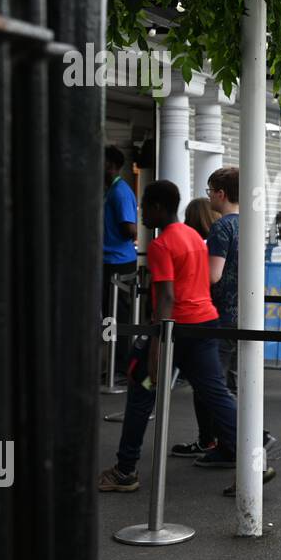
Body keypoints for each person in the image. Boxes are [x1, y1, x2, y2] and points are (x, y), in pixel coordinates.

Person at [99, 181, 244, 492]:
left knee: (141, 388)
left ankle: (125, 470)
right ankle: (253, 457)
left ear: (157, 207)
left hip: (175, 331)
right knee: (215, 393)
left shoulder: (161, 245)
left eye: (144, 207)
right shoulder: (193, 235)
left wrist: (156, 349)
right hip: (204, 325)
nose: (141, 214)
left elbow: (165, 298)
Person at [205, 167, 241, 397]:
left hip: (223, 314)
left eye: (209, 190)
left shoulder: (221, 227)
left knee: (214, 382)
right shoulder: (251, 224)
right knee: (236, 382)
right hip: (247, 312)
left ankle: (215, 432)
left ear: (221, 193)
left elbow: (213, 275)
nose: (208, 195)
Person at [103, 145, 139, 373]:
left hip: (118, 262)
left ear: (111, 165)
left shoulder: (120, 192)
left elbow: (131, 229)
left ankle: (123, 366)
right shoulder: (111, 191)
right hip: (109, 260)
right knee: (110, 315)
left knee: (119, 315)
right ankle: (116, 364)